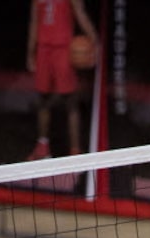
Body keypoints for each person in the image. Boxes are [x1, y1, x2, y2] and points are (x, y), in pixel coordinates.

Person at [26, 0, 99, 160]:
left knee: (71, 101)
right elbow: (34, 22)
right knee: (43, 100)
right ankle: (43, 147)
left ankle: (75, 151)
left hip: (64, 49)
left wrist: (94, 40)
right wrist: (31, 51)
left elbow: (80, 14)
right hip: (44, 49)